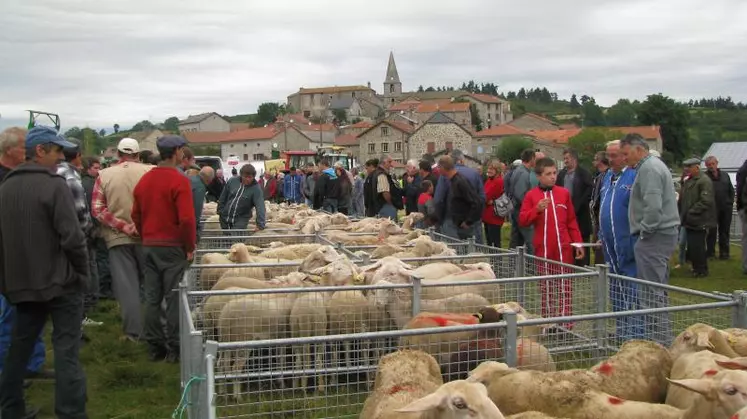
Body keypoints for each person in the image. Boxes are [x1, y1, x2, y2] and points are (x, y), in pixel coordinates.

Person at [0, 126, 89, 418]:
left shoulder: (6, 187)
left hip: (22, 284)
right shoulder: (54, 185)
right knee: (66, 350)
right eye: (57, 150)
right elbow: (73, 238)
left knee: (19, 347)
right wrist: (82, 272)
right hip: (61, 283)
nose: (61, 157)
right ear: (40, 151)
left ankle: (11, 408)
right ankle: (71, 412)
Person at [132, 135, 196, 362]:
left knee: (151, 296)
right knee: (174, 296)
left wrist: (145, 235)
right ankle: (175, 347)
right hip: (172, 246)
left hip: (149, 245)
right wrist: (189, 246)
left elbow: (135, 214)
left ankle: (155, 346)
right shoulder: (179, 181)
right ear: (178, 152)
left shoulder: (145, 180)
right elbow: (187, 219)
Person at [92, 137, 152, 342]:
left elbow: (98, 209)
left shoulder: (104, 175)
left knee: (127, 288)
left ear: (118, 154)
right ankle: (158, 330)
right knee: (154, 284)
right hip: (148, 237)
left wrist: (123, 226)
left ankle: (133, 333)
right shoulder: (150, 172)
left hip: (118, 238)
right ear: (138, 154)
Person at [621, 133, 679, 346]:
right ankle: (662, 339)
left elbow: (653, 207)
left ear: (639, 149)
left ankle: (659, 343)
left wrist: (645, 232)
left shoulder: (649, 169)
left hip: (655, 236)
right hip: (660, 234)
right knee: (657, 289)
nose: (624, 158)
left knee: (651, 292)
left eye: (626, 154)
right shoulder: (652, 166)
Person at [519, 157, 584, 330]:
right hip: (543, 248)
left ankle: (565, 324)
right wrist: (537, 210)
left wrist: (578, 243)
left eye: (555, 173)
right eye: (548, 174)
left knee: (565, 285)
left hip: (563, 248)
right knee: (546, 285)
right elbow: (523, 220)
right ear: (539, 176)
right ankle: (548, 322)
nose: (553, 177)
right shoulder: (531, 195)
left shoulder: (563, 193)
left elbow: (571, 221)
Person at [598, 140, 643, 341]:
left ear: (625, 155)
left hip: (629, 241)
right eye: (608, 155)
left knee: (632, 287)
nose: (610, 159)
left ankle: (635, 333)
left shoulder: (634, 175)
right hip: (609, 243)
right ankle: (621, 330)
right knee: (615, 287)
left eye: (614, 155)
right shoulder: (607, 177)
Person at [57, 140, 101, 327]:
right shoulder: (71, 177)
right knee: (80, 275)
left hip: (59, 234)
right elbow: (80, 212)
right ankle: (79, 318)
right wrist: (89, 232)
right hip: (76, 235)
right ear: (77, 156)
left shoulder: (53, 172)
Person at [433, 150, 485, 242]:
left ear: (444, 168)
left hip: (458, 223)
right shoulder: (459, 178)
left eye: (439, 168)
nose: (438, 170)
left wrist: (468, 221)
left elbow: (476, 201)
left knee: (457, 251)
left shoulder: (459, 181)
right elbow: (481, 198)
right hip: (461, 221)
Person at [557, 148, 594, 266]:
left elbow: (590, 190)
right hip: (565, 213)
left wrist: (579, 204)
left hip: (581, 214)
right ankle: (569, 263)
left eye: (567, 158)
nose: (565, 161)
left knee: (582, 238)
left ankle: (583, 265)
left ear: (574, 159)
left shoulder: (584, 173)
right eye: (564, 159)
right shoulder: (561, 174)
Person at [680, 158, 716, 277]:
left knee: (698, 246)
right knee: (693, 246)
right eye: (686, 166)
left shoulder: (704, 181)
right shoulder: (689, 180)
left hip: (699, 220)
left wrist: (691, 212)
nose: (687, 169)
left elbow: (706, 200)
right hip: (690, 220)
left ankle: (701, 270)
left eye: (689, 167)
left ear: (697, 167)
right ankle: (696, 268)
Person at [218, 164, 266, 231]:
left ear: (254, 177)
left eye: (250, 177)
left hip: (241, 219)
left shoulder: (256, 189)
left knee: (236, 238)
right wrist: (220, 211)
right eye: (245, 177)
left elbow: (260, 206)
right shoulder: (232, 181)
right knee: (226, 239)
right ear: (241, 175)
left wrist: (260, 224)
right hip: (225, 216)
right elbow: (223, 196)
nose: (247, 179)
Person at [704, 156, 734, 260]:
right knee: (711, 231)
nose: (711, 166)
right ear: (706, 166)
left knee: (725, 231)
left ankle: (724, 253)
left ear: (717, 163)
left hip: (726, 208)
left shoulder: (725, 175)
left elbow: (731, 190)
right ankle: (710, 253)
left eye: (713, 164)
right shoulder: (705, 177)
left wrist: (730, 202)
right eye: (709, 165)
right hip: (712, 208)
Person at [510, 149, 537, 253]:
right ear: (532, 159)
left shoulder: (518, 171)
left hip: (516, 210)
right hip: (521, 211)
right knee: (531, 241)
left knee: (516, 241)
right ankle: (533, 266)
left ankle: (513, 266)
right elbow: (521, 194)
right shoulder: (523, 173)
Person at [367, 155, 402, 220]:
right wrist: (391, 204)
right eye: (389, 162)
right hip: (385, 206)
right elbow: (385, 192)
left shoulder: (376, 173)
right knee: (389, 228)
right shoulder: (381, 174)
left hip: (380, 206)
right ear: (383, 163)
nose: (391, 164)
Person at [589, 151, 609, 265]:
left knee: (600, 248)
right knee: (595, 246)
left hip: (602, 217)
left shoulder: (607, 176)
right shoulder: (599, 177)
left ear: (600, 161)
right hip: (597, 218)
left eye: (595, 159)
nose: (593, 162)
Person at [482, 160, 505, 247]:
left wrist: (486, 199)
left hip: (494, 217)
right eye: (488, 168)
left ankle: (497, 260)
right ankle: (493, 260)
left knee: (495, 243)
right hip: (488, 216)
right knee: (490, 242)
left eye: (492, 169)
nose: (489, 170)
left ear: (497, 170)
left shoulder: (498, 181)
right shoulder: (490, 180)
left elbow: (485, 196)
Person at [190, 166, 215, 239]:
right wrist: (195, 227)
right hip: (188, 221)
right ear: (209, 180)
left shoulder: (191, 179)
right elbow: (196, 208)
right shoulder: (200, 187)